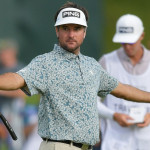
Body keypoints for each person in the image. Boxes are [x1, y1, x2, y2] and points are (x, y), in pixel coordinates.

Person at [0, 2, 150, 150]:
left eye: (77, 28)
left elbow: (122, 89)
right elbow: (17, 79)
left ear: (84, 32)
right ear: (57, 31)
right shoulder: (45, 63)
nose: (71, 34)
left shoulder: (92, 66)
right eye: (65, 28)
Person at [98, 14, 150, 150]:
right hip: (115, 141)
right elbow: (91, 101)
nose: (127, 46)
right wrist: (114, 115)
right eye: (123, 42)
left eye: (131, 42)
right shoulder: (106, 62)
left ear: (142, 36)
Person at [0, 39, 26, 150]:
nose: (2, 55)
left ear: (12, 52)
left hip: (15, 113)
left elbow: (23, 93)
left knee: (16, 145)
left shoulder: (21, 69)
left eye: (5, 51)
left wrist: (1, 91)